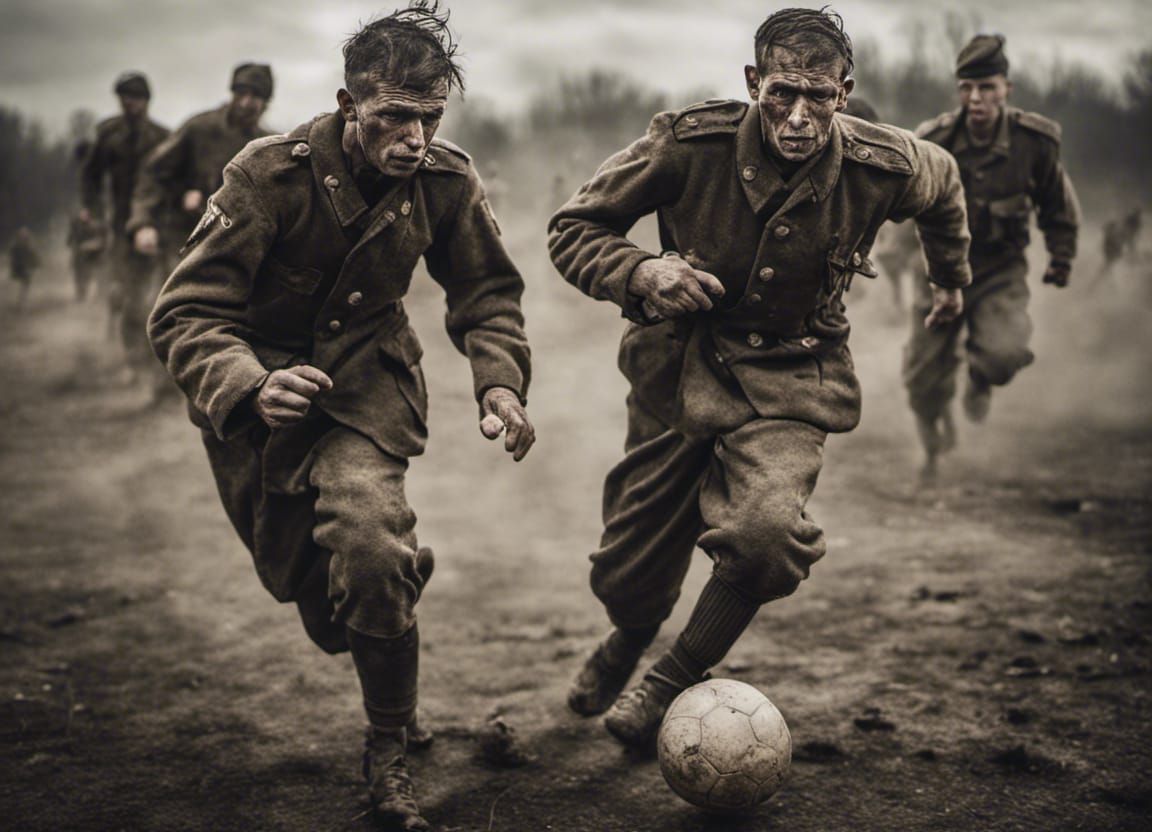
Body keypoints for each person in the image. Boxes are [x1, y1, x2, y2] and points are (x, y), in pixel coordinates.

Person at [147, 4, 533, 828]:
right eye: (395, 116)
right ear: (348, 104)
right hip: (259, 410)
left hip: (367, 392)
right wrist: (249, 383)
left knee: (368, 544)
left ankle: (389, 746)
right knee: (318, 604)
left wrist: (500, 384)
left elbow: (486, 292)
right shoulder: (265, 177)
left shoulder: (446, 181)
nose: (415, 138)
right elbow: (184, 314)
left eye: (431, 117)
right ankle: (381, 597)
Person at [548, 6, 971, 747]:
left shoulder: (885, 163)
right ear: (753, 83)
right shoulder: (687, 144)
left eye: (818, 96)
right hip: (676, 370)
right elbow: (574, 227)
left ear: (844, 92)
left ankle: (670, 679)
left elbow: (946, 186)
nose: (799, 117)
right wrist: (642, 271)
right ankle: (629, 637)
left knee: (767, 537)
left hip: (793, 374)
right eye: (781, 94)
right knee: (628, 569)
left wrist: (950, 277)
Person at [904, 34, 1080, 478]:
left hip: (1000, 271)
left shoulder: (1034, 143)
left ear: (1006, 89)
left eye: (987, 87)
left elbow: (1056, 202)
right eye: (967, 88)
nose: (976, 98)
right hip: (939, 272)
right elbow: (908, 209)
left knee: (1004, 352)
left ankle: (980, 379)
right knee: (922, 377)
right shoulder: (934, 142)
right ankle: (932, 447)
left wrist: (1061, 255)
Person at [127, 63, 273, 400]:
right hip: (183, 239)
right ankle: (159, 386)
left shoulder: (267, 144)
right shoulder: (199, 129)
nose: (247, 102)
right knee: (174, 310)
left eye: (256, 96)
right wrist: (143, 222)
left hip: (237, 247)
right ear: (232, 93)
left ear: (266, 103)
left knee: (233, 318)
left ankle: (218, 384)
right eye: (242, 93)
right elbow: (154, 173)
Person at [80, 72, 169, 347]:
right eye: (125, 97)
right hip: (118, 222)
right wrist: (93, 209)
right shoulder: (108, 135)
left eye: (135, 97)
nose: (129, 103)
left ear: (146, 100)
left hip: (153, 222)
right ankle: (123, 338)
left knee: (150, 285)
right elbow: (90, 176)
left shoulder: (162, 137)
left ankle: (143, 344)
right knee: (121, 282)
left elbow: (173, 179)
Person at [67, 209, 105, 302]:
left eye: (86, 215)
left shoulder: (92, 228)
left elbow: (97, 241)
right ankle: (80, 294)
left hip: (87, 256)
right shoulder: (76, 229)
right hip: (79, 256)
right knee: (79, 276)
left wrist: (88, 246)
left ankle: (83, 294)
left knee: (86, 276)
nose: (84, 218)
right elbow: (69, 242)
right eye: (82, 216)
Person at [8, 227, 40, 308]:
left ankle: (22, 301)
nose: (23, 237)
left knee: (25, 284)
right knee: (25, 284)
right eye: (22, 236)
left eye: (25, 236)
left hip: (25, 268)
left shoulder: (28, 245)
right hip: (21, 268)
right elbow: (13, 257)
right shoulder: (17, 246)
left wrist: (35, 264)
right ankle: (21, 301)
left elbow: (34, 256)